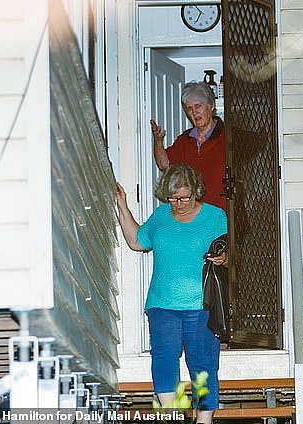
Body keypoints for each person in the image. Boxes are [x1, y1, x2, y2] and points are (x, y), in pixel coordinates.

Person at [116, 165, 228, 424]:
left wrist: (224, 258)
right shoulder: (161, 216)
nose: (178, 203)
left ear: (197, 192)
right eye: (172, 198)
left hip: (202, 304)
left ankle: (204, 419)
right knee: (164, 358)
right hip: (162, 304)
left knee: (202, 362)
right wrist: (122, 205)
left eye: (184, 197)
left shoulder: (215, 216)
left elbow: (232, 252)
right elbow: (137, 241)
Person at [151, 81, 226, 211]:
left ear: (212, 106)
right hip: (193, 215)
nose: (194, 112)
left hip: (222, 214)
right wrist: (158, 141)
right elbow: (164, 164)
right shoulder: (185, 139)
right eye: (189, 108)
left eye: (198, 106)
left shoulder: (227, 136)